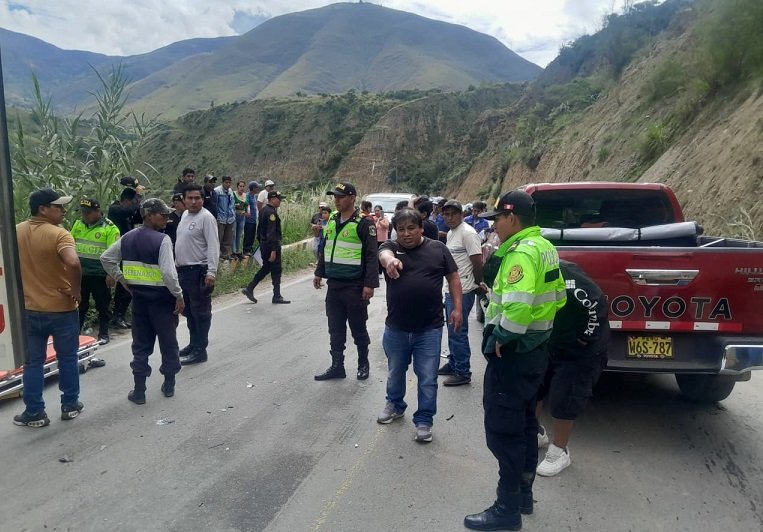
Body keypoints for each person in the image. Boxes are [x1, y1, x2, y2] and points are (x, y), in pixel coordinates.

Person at [464, 190, 567, 532]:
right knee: (524, 425)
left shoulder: (521, 253)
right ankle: (523, 495)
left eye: (498, 219)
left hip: (514, 354)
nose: (494, 225)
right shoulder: (545, 247)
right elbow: (559, 298)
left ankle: (506, 509)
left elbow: (518, 308)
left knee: (503, 432)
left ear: (512, 218)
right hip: (536, 352)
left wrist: (501, 336)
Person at [377, 208, 462, 443]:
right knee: (395, 372)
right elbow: (383, 254)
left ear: (421, 228)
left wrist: (457, 308)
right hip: (396, 327)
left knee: (427, 378)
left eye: (411, 228)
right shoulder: (392, 247)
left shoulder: (438, 249)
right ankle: (395, 404)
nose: (406, 234)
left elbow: (453, 277)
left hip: (429, 329)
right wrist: (390, 261)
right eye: (401, 229)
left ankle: (424, 419)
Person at [101, 199, 185, 404]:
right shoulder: (163, 240)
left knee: (140, 346)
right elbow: (168, 273)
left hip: (139, 302)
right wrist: (179, 295)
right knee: (168, 343)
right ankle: (169, 385)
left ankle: (139, 391)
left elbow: (106, 258)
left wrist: (123, 280)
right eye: (162, 215)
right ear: (148, 215)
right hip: (162, 302)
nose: (166, 218)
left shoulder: (128, 237)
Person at [14, 188, 83, 427]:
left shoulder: (16, 232)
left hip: (29, 309)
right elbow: (73, 262)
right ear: (43, 209)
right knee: (67, 358)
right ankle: (70, 405)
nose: (63, 210)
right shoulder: (59, 234)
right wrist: (76, 290)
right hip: (61, 309)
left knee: (33, 363)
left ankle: (34, 412)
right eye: (58, 206)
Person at [535, 260, 609, 477]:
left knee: (564, 398)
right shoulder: (521, 274)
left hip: (580, 347)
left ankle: (560, 451)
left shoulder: (565, 276)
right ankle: (535, 432)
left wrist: (585, 337)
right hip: (551, 338)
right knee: (534, 388)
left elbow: (596, 304)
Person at [313, 183, 379, 381]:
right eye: (335, 197)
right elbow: (326, 248)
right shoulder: (333, 220)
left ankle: (363, 363)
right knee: (335, 328)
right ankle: (337, 366)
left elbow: (371, 256)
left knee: (358, 327)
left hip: (355, 286)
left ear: (352, 198)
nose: (337, 200)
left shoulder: (364, 223)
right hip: (334, 285)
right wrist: (319, 272)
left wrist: (369, 284)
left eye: (341, 197)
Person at [437, 200, 483, 386]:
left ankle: (463, 372)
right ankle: (454, 363)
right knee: (452, 329)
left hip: (463, 290)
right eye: (446, 214)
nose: (449, 218)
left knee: (458, 331)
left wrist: (478, 283)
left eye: (453, 214)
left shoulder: (468, 233)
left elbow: (477, 261)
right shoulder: (451, 233)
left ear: (462, 215)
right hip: (451, 288)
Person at [175, 183, 220, 365]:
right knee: (189, 312)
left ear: (202, 199)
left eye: (197, 198)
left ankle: (201, 350)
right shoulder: (185, 215)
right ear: (184, 200)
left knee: (201, 313)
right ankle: (193, 344)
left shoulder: (206, 218)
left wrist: (211, 272)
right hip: (184, 272)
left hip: (199, 272)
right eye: (190, 198)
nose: (194, 202)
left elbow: (213, 246)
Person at [70, 198, 121, 344]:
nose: (85, 215)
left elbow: (114, 254)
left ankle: (104, 334)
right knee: (80, 305)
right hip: (81, 274)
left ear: (98, 211)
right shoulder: (78, 224)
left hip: (100, 275)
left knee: (103, 305)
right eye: (83, 212)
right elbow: (70, 244)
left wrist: (111, 274)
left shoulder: (110, 228)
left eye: (88, 213)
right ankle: (75, 335)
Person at [241, 190, 290, 304]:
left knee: (266, 268)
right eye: (279, 199)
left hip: (264, 245)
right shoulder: (271, 213)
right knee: (276, 270)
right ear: (272, 199)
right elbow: (271, 233)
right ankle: (276, 296)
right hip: (271, 246)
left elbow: (259, 231)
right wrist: (273, 250)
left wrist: (262, 244)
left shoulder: (263, 210)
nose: (280, 201)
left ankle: (250, 288)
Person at [108, 187, 141, 329]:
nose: (134, 205)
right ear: (126, 200)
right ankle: (116, 316)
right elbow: (129, 211)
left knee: (127, 285)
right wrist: (138, 196)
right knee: (124, 284)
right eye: (133, 202)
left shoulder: (128, 211)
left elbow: (138, 215)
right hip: (118, 252)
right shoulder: (115, 209)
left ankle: (119, 315)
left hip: (128, 252)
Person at [214, 175, 236, 260]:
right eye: (226, 182)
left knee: (228, 238)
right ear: (222, 182)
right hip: (221, 218)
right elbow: (215, 205)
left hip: (230, 219)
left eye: (229, 182)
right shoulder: (217, 191)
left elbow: (232, 204)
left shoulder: (230, 191)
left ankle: (226, 255)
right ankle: (217, 255)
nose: (228, 184)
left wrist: (233, 214)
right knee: (219, 238)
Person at [243, 181, 261, 256]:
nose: (258, 189)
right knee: (248, 235)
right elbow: (245, 205)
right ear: (253, 188)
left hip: (253, 220)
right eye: (257, 187)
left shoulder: (254, 196)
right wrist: (247, 213)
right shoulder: (247, 196)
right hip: (248, 220)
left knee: (252, 235)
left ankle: (250, 248)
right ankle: (246, 250)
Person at [233, 180, 248, 258]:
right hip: (235, 215)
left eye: (243, 186)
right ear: (237, 187)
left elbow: (246, 205)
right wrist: (236, 206)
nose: (242, 188)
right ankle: (234, 251)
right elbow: (231, 204)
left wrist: (246, 212)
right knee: (234, 234)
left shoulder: (245, 195)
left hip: (242, 216)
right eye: (240, 186)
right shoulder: (233, 194)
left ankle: (238, 250)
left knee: (239, 234)